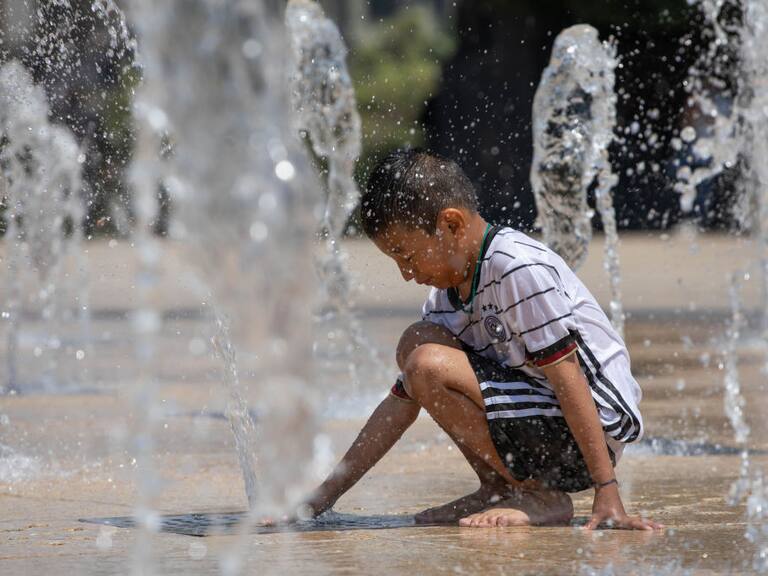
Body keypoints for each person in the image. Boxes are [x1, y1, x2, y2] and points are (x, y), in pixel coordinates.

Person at [301, 149, 661, 530]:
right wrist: (324, 495)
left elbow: (567, 376)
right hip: (543, 419)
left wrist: (608, 492)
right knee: (417, 345)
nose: (406, 273)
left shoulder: (515, 267)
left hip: (588, 437)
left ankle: (540, 495)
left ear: (452, 224)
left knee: (426, 363)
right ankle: (497, 487)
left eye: (406, 256)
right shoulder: (445, 297)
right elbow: (402, 403)